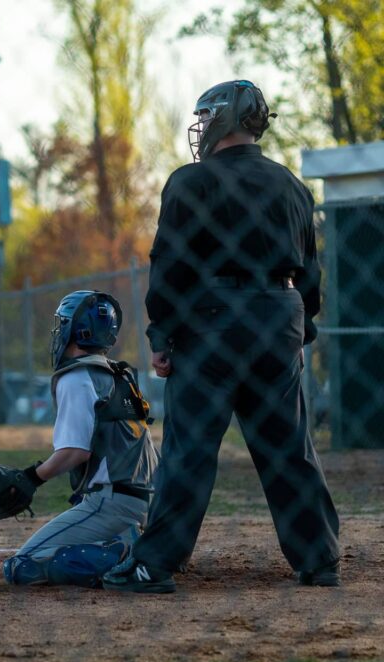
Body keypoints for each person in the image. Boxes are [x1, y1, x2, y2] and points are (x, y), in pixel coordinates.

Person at [103, 81, 340, 594]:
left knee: (190, 448)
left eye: (206, 113)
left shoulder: (192, 182)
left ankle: (155, 564)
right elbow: (312, 273)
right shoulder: (292, 185)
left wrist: (162, 332)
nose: (201, 124)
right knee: (288, 446)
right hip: (280, 314)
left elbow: (170, 265)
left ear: (226, 119)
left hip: (213, 317)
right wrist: (303, 327)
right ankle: (320, 559)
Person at [2, 291, 159, 588]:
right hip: (147, 501)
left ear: (77, 331)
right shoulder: (117, 374)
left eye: (63, 323)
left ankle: (127, 551)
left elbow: (76, 451)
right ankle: (140, 543)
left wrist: (30, 478)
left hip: (111, 503)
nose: (58, 331)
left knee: (20, 567)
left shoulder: (77, 377)